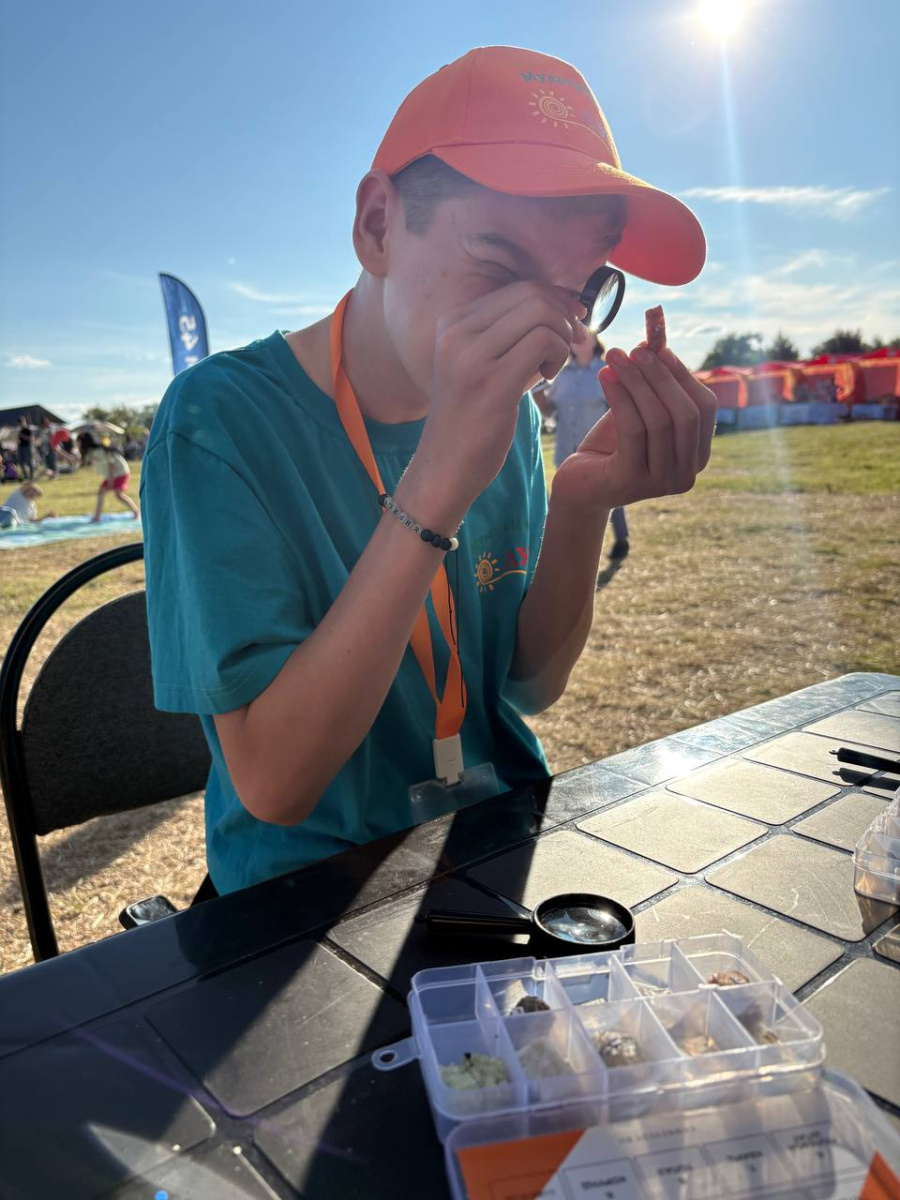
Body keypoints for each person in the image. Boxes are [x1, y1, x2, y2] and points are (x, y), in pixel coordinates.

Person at [142, 45, 716, 896]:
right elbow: (273, 784)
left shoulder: (511, 415)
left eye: (583, 288)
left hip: (490, 842)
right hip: (305, 890)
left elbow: (528, 686)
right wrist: (437, 481)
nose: (553, 338)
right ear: (378, 225)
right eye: (501, 267)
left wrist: (581, 503)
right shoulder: (218, 421)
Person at [538, 332, 631, 560]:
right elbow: (550, 411)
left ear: (596, 340)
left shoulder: (607, 371)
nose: (579, 339)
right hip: (566, 448)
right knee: (566, 499)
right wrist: (538, 394)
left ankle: (621, 539)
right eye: (575, 337)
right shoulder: (562, 375)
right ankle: (571, 547)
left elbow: (620, 410)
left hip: (600, 448)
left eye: (586, 335)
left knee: (610, 494)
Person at [84, 435, 140, 522]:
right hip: (114, 474)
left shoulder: (98, 451)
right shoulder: (92, 452)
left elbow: (111, 465)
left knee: (118, 495)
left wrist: (110, 481)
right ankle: (97, 516)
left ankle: (136, 511)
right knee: (104, 492)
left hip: (120, 472)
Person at [16, 417, 35, 482]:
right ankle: (26, 476)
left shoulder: (28, 429)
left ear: (24, 421)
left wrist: (22, 436)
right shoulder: (20, 430)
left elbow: (31, 439)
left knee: (30, 462)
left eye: (21, 422)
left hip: (28, 447)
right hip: (21, 447)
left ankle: (31, 477)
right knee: (21, 462)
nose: (20, 424)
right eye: (19, 422)